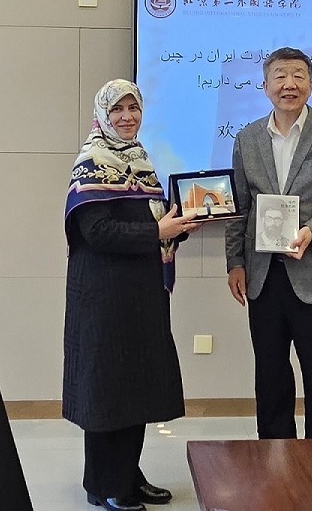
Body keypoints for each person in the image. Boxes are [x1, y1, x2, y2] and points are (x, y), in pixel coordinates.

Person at [63, 79, 200, 511]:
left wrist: (179, 227)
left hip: (140, 298)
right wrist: (157, 231)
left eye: (133, 108)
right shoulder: (92, 162)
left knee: (134, 388)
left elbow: (150, 224)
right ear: (103, 115)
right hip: (103, 300)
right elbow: (97, 232)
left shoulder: (138, 159)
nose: (127, 117)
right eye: (117, 109)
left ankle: (127, 475)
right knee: (107, 392)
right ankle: (105, 485)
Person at [224, 47, 312, 439]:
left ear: (311, 85)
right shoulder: (247, 138)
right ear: (265, 85)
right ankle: (274, 460)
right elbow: (240, 206)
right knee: (270, 377)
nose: (290, 84)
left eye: (298, 75)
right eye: (280, 76)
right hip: (264, 277)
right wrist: (235, 262)